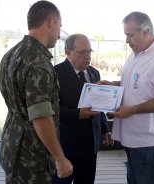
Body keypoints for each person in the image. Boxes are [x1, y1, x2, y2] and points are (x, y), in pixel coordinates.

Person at [98, 12, 154, 184]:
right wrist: (112, 84)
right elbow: (136, 85)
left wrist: (133, 110)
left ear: (146, 31)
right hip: (131, 138)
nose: (127, 41)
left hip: (149, 142)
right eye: (126, 35)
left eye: (130, 35)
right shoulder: (136, 54)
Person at [0, 1, 73, 183]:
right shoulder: (38, 62)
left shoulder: (11, 54)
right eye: (59, 27)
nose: (59, 34)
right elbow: (41, 117)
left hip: (11, 146)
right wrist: (60, 158)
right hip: (31, 158)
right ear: (51, 21)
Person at [52, 34, 113, 184]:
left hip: (91, 146)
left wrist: (105, 129)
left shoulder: (94, 72)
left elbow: (98, 104)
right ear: (68, 52)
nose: (88, 57)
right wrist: (77, 114)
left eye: (89, 52)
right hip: (66, 147)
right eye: (83, 52)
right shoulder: (54, 73)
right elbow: (51, 109)